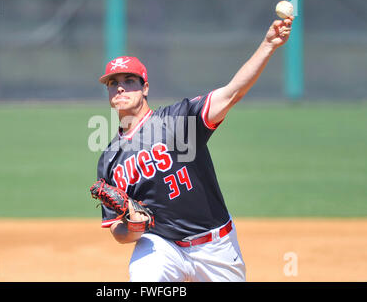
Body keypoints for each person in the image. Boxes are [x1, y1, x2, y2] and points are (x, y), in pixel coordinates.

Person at [95, 17, 294, 282]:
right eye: (112, 82)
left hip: (216, 246)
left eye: (129, 80)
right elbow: (118, 232)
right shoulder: (110, 159)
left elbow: (233, 92)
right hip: (161, 246)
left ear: (145, 88)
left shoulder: (177, 121)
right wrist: (133, 228)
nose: (120, 87)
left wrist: (268, 45)